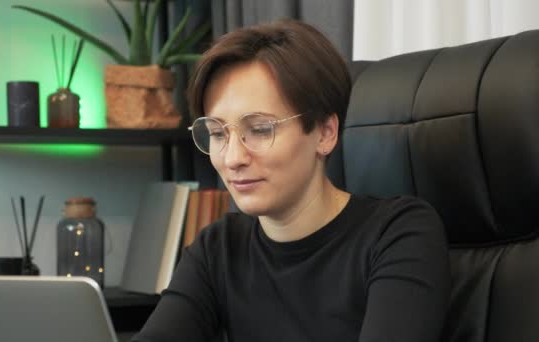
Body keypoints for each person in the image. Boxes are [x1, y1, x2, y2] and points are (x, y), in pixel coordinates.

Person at [133, 19, 450, 342]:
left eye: (259, 129)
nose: (232, 159)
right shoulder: (218, 249)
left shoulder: (398, 233)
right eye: (217, 133)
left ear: (325, 133)